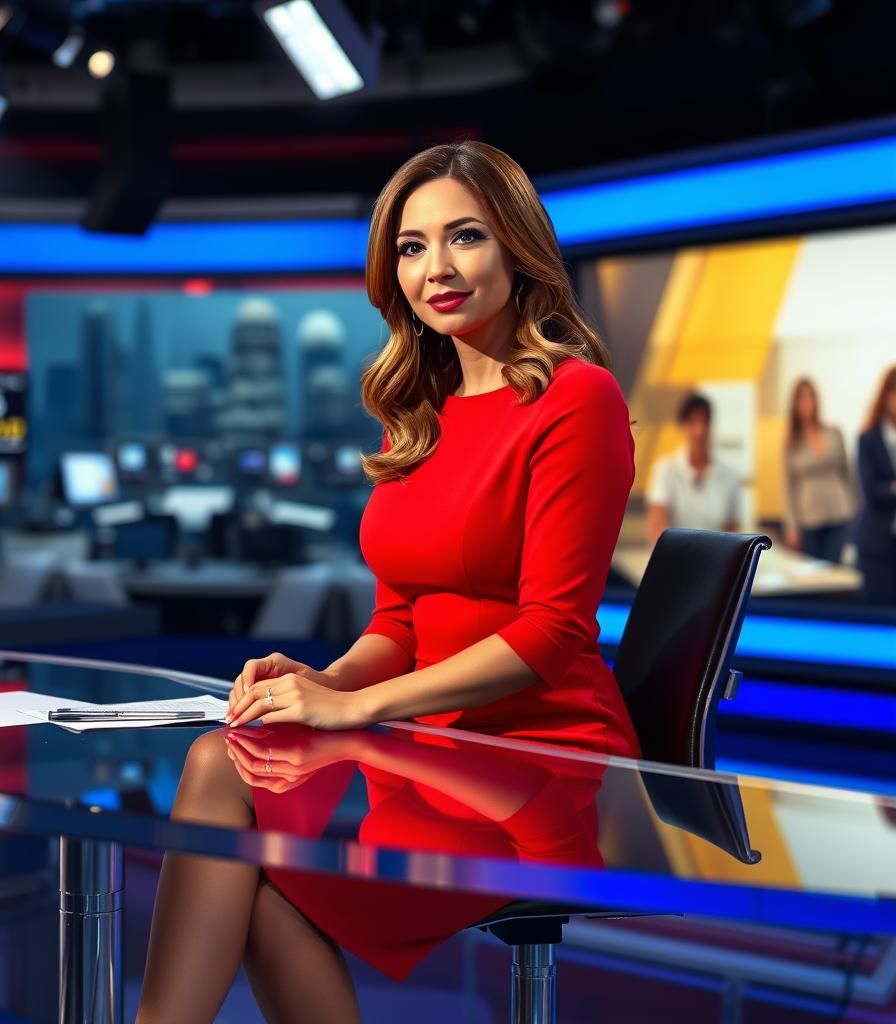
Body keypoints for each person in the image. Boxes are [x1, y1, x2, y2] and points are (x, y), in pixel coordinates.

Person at [135, 139, 641, 1023]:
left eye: (465, 237)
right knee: (220, 758)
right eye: (411, 247)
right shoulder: (422, 411)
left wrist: (358, 711)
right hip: (417, 743)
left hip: (530, 762)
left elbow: (552, 630)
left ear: (518, 249)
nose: (435, 269)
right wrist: (324, 682)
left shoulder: (576, 398)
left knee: (264, 889)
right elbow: (401, 618)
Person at [645, 392, 742, 546]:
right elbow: (656, 530)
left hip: (717, 562)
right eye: (693, 423)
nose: (700, 431)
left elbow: (735, 535)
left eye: (705, 422)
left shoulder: (730, 476)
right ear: (683, 427)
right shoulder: (665, 470)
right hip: (677, 562)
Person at [781, 377, 856, 563]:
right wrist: (791, 525)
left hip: (838, 510)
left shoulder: (833, 433)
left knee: (834, 568)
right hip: (808, 516)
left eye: (809, 397)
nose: (806, 403)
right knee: (813, 570)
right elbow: (788, 486)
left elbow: (847, 473)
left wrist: (854, 508)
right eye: (801, 398)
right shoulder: (791, 442)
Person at [854, 365, 896, 603]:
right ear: (886, 396)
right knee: (880, 611)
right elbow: (872, 490)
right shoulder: (868, 440)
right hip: (877, 543)